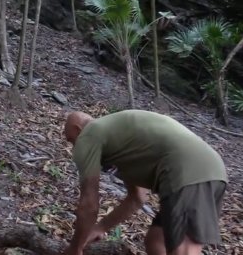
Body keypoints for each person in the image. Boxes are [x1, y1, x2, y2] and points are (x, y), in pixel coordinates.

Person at [62, 109, 228, 255]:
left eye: (71, 141)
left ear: (78, 130)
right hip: (209, 169)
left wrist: (75, 248)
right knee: (156, 242)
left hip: (188, 172)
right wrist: (101, 227)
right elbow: (137, 198)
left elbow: (89, 204)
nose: (73, 147)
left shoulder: (88, 136)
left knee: (182, 250)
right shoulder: (119, 139)